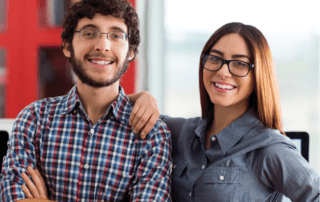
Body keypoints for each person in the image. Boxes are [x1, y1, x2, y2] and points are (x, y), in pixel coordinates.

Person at [0, 0, 172, 201]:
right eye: (89, 33)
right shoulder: (34, 119)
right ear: (67, 46)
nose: (102, 46)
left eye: (116, 35)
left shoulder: (151, 134)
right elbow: (13, 197)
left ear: (131, 52)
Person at [130, 22, 320, 201]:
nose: (223, 72)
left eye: (240, 64)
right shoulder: (180, 132)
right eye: (215, 58)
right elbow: (112, 107)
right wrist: (143, 98)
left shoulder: (269, 149)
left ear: (258, 77)